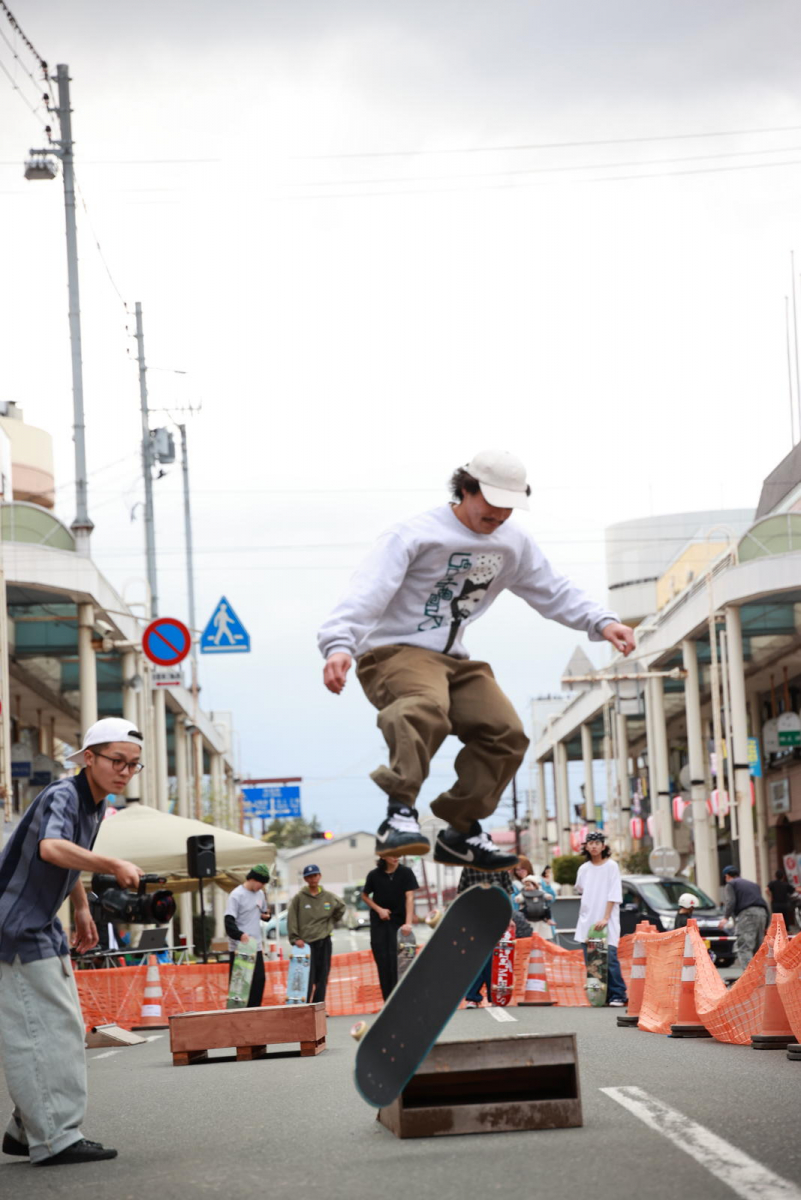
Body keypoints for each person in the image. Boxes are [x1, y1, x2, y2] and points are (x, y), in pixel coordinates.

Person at [318, 450, 635, 870]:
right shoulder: (413, 534)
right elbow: (367, 591)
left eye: (508, 507)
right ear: (466, 490)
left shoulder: (513, 541)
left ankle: (460, 830)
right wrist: (339, 643)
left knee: (506, 733)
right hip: (394, 651)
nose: (500, 515)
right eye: (491, 505)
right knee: (423, 708)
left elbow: (551, 588)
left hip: (454, 660)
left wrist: (601, 620)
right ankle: (399, 813)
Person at [0, 717, 146, 1166]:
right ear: (88, 758)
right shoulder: (65, 793)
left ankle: (26, 1129)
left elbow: (66, 858)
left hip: (40, 923)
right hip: (14, 925)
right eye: (117, 760)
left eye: (134, 764)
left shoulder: (94, 804)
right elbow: (51, 848)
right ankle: (55, 1139)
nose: (124, 771)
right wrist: (111, 862)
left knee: (61, 1027)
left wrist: (80, 905)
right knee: (45, 1032)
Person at [573, 831, 627, 1007]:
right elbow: (580, 889)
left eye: (597, 843)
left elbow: (614, 893)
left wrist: (605, 917)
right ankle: (599, 995)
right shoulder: (584, 868)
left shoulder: (611, 866)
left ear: (603, 846)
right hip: (587, 920)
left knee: (610, 956)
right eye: (591, 843)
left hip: (607, 920)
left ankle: (618, 993)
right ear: (586, 847)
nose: (594, 846)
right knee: (592, 960)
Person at [458, 865, 516, 1007]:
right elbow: (461, 894)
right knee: (476, 958)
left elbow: (508, 893)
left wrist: (508, 916)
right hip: (474, 918)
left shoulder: (500, 867)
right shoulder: (468, 868)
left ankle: (490, 996)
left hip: (496, 916)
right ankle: (474, 997)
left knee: (493, 957)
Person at [362, 855, 419, 1000]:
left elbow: (410, 898)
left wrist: (408, 923)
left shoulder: (406, 872)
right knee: (383, 961)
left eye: (397, 854)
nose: (396, 857)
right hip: (379, 924)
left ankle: (404, 998)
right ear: (383, 856)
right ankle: (388, 1001)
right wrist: (379, 909)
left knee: (402, 961)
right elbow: (364, 895)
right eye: (392, 855)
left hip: (400, 924)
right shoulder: (374, 875)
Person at [287, 864, 345, 1004]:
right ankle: (305, 1006)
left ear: (320, 876)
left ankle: (319, 1006)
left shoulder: (328, 896)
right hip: (305, 944)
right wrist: (295, 938)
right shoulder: (299, 898)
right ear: (305, 879)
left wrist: (330, 922)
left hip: (324, 940)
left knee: (323, 976)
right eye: (309, 876)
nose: (313, 879)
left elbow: (341, 907)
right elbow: (292, 918)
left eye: (315, 875)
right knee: (307, 977)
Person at [224, 864, 272, 1007]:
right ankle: (238, 1013)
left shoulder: (260, 894)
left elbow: (263, 912)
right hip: (240, 946)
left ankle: (254, 1009)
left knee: (259, 980)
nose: (262, 886)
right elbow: (228, 922)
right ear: (252, 879)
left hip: (255, 946)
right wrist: (240, 935)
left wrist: (267, 916)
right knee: (241, 984)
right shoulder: (236, 895)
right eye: (261, 882)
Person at [720, 865, 768, 969]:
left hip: (747, 914)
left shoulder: (731, 884)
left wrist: (725, 918)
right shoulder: (754, 885)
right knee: (758, 947)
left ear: (727, 876)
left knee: (744, 946)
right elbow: (763, 902)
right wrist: (767, 923)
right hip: (762, 913)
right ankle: (760, 976)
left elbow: (730, 902)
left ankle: (749, 979)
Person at [518, 875, 556, 940]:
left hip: (540, 914)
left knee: (546, 909)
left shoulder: (540, 892)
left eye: (529, 885)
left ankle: (548, 919)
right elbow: (519, 898)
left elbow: (546, 895)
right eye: (526, 885)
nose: (527, 887)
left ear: (535, 885)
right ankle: (525, 919)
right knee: (522, 910)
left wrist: (548, 896)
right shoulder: (523, 893)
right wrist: (518, 899)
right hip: (528, 911)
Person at [766, 868, 798, 932]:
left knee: (776, 919)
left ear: (775, 876)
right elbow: (794, 890)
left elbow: (766, 890)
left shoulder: (772, 883)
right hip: (784, 904)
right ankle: (786, 932)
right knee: (785, 919)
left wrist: (770, 897)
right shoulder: (785, 884)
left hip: (775, 904)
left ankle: (776, 932)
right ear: (783, 876)